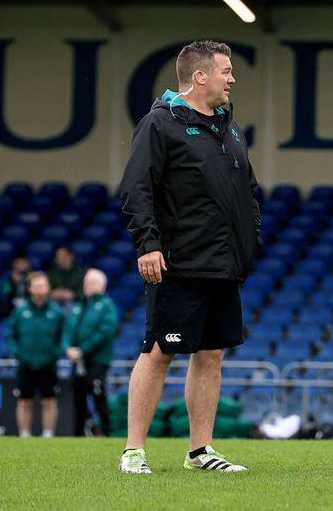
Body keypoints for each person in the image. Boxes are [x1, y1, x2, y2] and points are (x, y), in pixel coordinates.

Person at [117, 40, 260, 474]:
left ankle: (200, 451)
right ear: (200, 76)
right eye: (226, 71)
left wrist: (250, 237)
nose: (232, 78)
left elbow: (248, 190)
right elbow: (135, 188)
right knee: (159, 350)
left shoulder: (228, 126)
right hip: (178, 262)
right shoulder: (159, 124)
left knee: (212, 352)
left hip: (224, 263)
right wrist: (148, 244)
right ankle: (133, 451)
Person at [5, 272, 66, 438]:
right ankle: (24, 434)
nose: (40, 289)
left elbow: (64, 337)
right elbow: (11, 334)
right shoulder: (20, 312)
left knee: (49, 401)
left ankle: (48, 434)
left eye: (43, 285)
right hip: (25, 364)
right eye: (36, 285)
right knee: (24, 401)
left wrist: (55, 353)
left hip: (49, 365)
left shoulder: (57, 313)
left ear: (48, 288)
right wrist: (18, 352)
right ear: (30, 288)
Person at [63, 268, 119, 437]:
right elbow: (67, 330)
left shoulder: (107, 306)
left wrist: (83, 350)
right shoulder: (79, 305)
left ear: (102, 285)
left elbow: (105, 332)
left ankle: (107, 434)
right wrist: (67, 348)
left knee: (98, 397)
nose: (87, 285)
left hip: (97, 361)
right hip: (78, 362)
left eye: (91, 282)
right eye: (86, 281)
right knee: (78, 399)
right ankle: (78, 435)